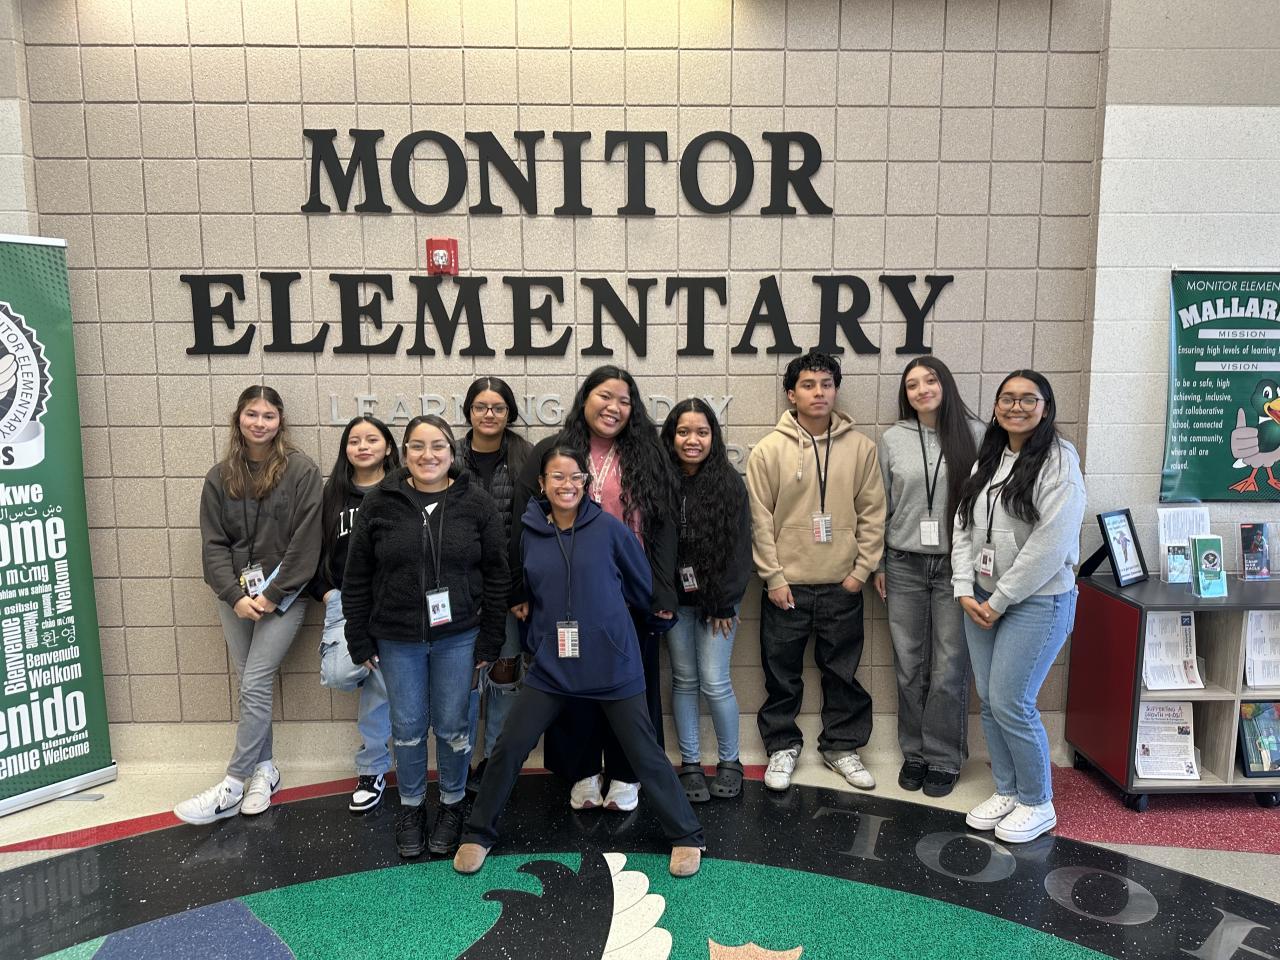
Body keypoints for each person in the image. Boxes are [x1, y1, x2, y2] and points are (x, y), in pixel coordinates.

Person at [455, 446, 705, 878]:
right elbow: (532, 590)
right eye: (557, 476)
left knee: (644, 751)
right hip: (553, 666)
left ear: (586, 484)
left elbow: (641, 586)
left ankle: (687, 835)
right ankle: (478, 833)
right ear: (542, 484)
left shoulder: (610, 529)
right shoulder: (530, 533)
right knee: (510, 744)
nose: (567, 485)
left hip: (612, 664)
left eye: (575, 477)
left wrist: (616, 632)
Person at [509, 366, 679, 813]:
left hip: (631, 593)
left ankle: (626, 774)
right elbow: (522, 521)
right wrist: (519, 587)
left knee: (632, 689)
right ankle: (581, 771)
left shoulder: (649, 455)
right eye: (605, 396)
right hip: (568, 592)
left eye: (624, 400)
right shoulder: (553, 451)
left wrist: (662, 592)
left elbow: (664, 528)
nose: (614, 407)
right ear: (585, 398)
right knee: (571, 685)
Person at [342, 416, 509, 859]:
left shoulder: (476, 502)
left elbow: (497, 575)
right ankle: (412, 807)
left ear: (452, 453)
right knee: (408, 727)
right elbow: (356, 576)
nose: (427, 455)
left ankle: (452, 804)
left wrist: (491, 638)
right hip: (398, 639)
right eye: (417, 446)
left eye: (438, 446)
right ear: (404, 453)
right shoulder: (380, 503)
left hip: (459, 637)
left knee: (454, 726)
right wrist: (358, 637)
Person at [176, 386, 322, 824]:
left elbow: (306, 542)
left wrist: (271, 595)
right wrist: (235, 596)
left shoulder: (301, 471)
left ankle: (233, 783)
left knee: (255, 680)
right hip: (235, 597)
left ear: (280, 422)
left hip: (284, 596)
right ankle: (265, 771)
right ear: (238, 418)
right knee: (249, 684)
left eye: (268, 415)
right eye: (252, 414)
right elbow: (213, 545)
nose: (259, 423)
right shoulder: (220, 476)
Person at [951, 370, 1085, 844]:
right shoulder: (989, 457)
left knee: (1013, 701)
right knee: (990, 701)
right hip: (981, 598)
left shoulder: (1059, 461)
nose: (1016, 407)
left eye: (1029, 399)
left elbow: (1051, 544)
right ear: (995, 407)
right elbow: (964, 527)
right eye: (1007, 398)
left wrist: (1001, 598)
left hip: (1037, 601)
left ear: (1045, 408)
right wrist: (963, 587)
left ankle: (1037, 800)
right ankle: (1007, 790)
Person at [745, 351, 886, 793]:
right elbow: (758, 520)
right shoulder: (768, 450)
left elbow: (873, 514)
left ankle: (842, 747)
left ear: (835, 390)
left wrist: (860, 572)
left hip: (843, 585)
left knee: (842, 672)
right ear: (792, 394)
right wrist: (773, 577)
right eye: (808, 385)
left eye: (826, 384)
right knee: (781, 674)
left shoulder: (861, 449)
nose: (818, 392)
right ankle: (782, 747)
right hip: (786, 587)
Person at [873, 358, 982, 798]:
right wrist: (879, 563)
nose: (922, 390)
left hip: (957, 566)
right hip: (904, 564)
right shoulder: (893, 439)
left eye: (930, 380)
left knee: (950, 667)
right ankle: (914, 753)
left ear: (945, 383)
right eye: (912, 385)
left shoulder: (976, 435)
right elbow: (880, 504)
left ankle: (944, 756)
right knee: (909, 664)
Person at [660, 399, 752, 802]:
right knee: (684, 679)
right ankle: (692, 763)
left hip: (718, 603)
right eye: (683, 432)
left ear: (713, 437)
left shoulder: (729, 483)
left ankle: (730, 761)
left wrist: (724, 602)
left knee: (715, 681)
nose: (692, 440)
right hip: (675, 601)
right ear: (671, 436)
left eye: (701, 432)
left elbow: (740, 550)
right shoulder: (660, 481)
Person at [309, 416, 399, 814]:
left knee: (379, 680)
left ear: (388, 447)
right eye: (354, 440)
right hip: (346, 601)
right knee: (340, 674)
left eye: (372, 439)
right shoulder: (332, 496)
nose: (363, 447)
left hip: (393, 602)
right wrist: (327, 593)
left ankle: (372, 768)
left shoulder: (402, 489)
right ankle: (377, 760)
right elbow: (311, 552)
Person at [455, 377, 533, 789]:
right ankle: (460, 759)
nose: (489, 414)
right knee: (465, 679)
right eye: (481, 407)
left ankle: (495, 762)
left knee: (505, 677)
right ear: (469, 411)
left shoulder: (525, 456)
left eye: (498, 408)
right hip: (459, 588)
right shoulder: (450, 455)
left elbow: (534, 525)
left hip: (507, 589)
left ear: (509, 413)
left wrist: (519, 586)